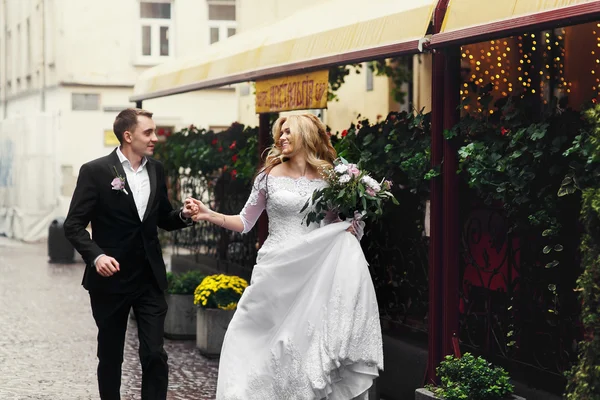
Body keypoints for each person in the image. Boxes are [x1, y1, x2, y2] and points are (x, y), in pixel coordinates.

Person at [186, 113, 383, 400]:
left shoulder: (332, 177)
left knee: (305, 340)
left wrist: (352, 225)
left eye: (289, 132)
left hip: (315, 271)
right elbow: (245, 221)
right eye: (280, 132)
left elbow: (331, 224)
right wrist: (208, 214)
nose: (282, 138)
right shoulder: (268, 177)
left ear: (305, 134)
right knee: (253, 334)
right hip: (275, 269)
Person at [64, 108, 195, 400]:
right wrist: (96, 256)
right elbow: (73, 226)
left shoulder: (156, 169)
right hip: (110, 280)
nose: (155, 138)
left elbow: (162, 216)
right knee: (110, 356)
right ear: (128, 136)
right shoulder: (95, 171)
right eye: (148, 132)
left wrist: (184, 215)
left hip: (149, 278)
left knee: (154, 354)